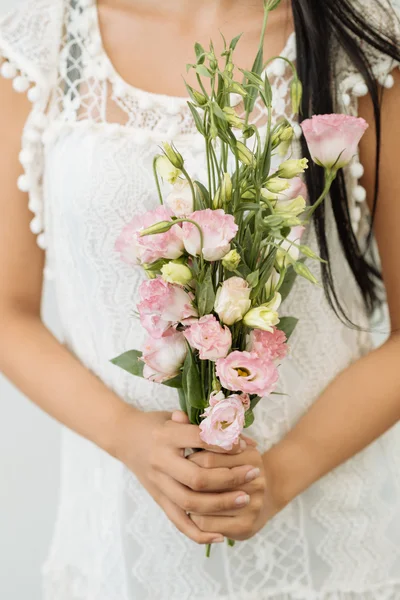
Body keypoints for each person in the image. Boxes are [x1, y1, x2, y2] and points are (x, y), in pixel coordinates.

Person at [0, 0, 399, 598]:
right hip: (120, 554)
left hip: (324, 557)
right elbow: (8, 314)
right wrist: (128, 436)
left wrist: (277, 476)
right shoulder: (43, 36)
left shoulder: (360, 32)